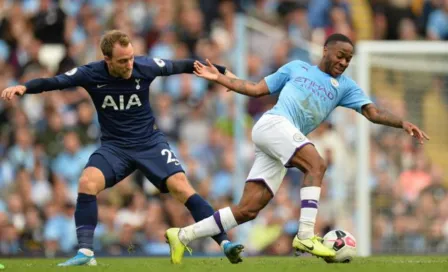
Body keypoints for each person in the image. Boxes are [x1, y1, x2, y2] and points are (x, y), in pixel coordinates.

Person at [165, 33, 430, 263]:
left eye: (348, 59)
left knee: (248, 209)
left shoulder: (346, 87)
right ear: (325, 50)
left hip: (281, 141)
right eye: (340, 55)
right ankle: (305, 235)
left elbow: (372, 112)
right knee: (317, 163)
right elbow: (257, 89)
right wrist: (220, 79)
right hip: (273, 124)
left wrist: (401, 122)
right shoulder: (296, 67)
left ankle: (183, 234)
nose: (343, 62)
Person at [1, 30, 243, 266]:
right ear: (107, 59)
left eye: (131, 58)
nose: (129, 64)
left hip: (149, 143)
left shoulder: (145, 66)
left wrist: (222, 73)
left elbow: (185, 65)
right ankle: (85, 252)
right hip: (115, 148)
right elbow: (56, 81)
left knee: (182, 187)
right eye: (123, 61)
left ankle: (224, 244)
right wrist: (25, 87)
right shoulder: (91, 73)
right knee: (87, 182)